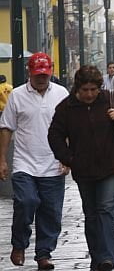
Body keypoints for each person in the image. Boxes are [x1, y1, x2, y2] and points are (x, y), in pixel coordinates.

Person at [48, 65, 114, 271]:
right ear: (77, 89)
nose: (90, 94)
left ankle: (108, 259)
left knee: (106, 210)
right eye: (85, 90)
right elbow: (54, 135)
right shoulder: (67, 107)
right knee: (91, 214)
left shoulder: (110, 98)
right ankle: (97, 257)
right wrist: (69, 158)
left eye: (93, 89)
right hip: (84, 169)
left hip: (112, 165)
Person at [0, 53, 69, 270]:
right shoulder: (17, 95)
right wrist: (2, 158)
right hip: (24, 163)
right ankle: (19, 243)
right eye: (38, 74)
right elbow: (7, 127)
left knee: (51, 212)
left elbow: (70, 128)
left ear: (51, 71)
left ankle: (43, 254)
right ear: (30, 72)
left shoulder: (61, 94)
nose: (42, 78)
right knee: (26, 202)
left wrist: (68, 157)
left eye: (45, 74)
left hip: (53, 163)